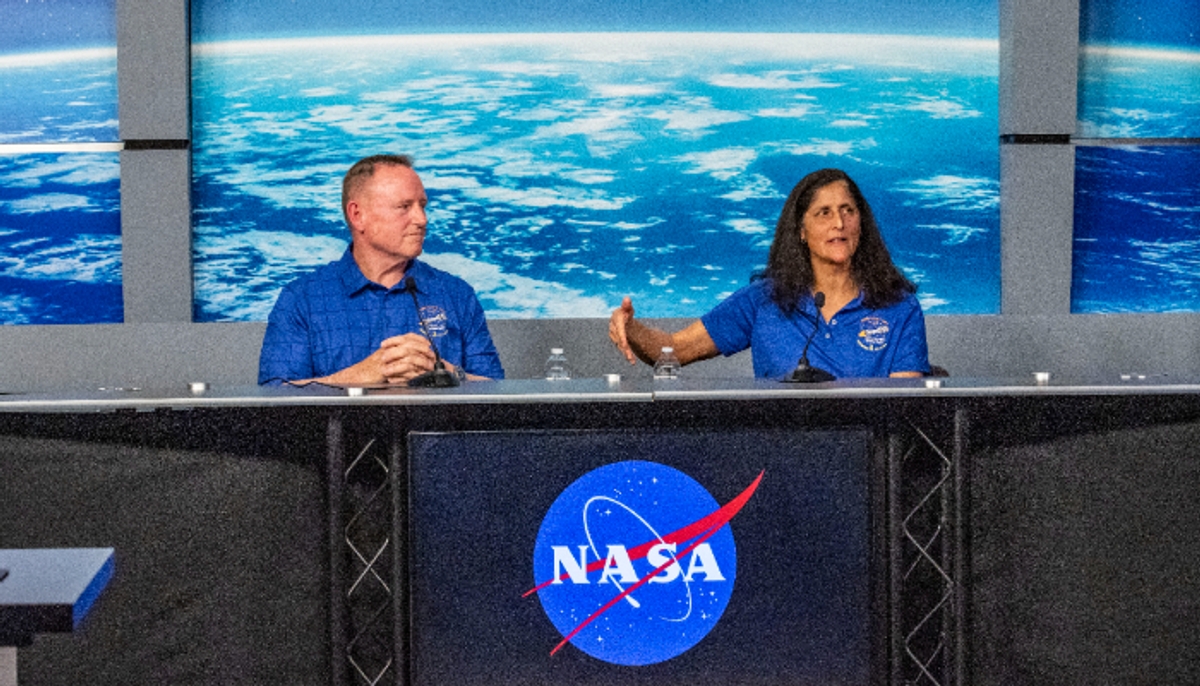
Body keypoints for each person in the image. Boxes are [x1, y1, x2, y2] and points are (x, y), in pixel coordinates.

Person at [609, 168, 930, 379]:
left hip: (870, 467)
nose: (839, 223)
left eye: (848, 211)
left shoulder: (898, 306)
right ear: (801, 231)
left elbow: (901, 406)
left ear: (862, 222)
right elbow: (675, 351)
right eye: (824, 213)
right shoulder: (764, 300)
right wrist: (631, 328)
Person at [258, 154, 504, 385]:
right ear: (357, 215)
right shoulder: (302, 299)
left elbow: (499, 392)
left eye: (423, 206)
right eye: (404, 206)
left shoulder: (456, 294)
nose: (421, 219)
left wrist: (445, 372)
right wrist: (361, 375)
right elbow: (274, 397)